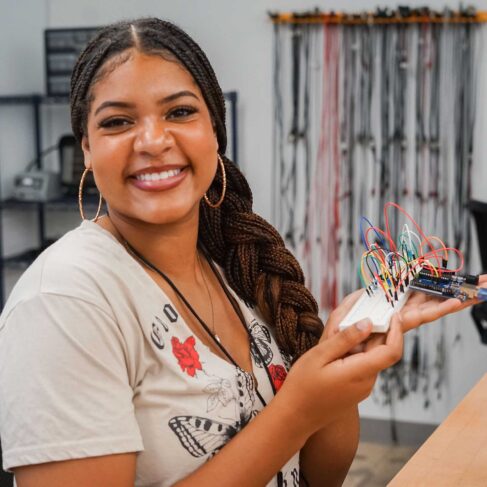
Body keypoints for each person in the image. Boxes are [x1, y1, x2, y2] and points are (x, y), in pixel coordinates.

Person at [0, 17, 485, 487]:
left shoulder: (233, 264)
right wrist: (295, 411)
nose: (152, 141)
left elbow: (317, 476)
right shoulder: (64, 302)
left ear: (215, 131)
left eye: (180, 111)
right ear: (85, 147)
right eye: (118, 121)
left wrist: (339, 366)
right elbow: (290, 430)